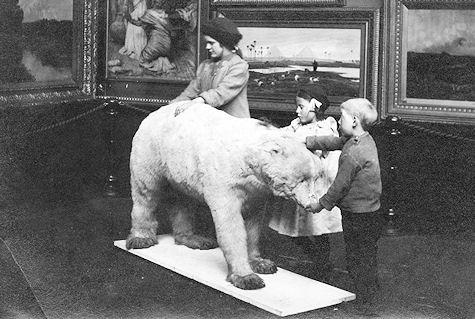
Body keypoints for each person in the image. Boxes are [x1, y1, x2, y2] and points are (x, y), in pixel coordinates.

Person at [306, 98, 385, 310]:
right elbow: (335, 142)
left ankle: (365, 303)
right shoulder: (362, 140)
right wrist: (310, 141)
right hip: (371, 212)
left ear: (354, 121)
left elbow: (339, 186)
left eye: (342, 118)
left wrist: (319, 205)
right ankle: (371, 290)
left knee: (356, 256)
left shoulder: (353, 153)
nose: (339, 121)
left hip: (357, 215)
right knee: (367, 253)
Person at [268, 87, 342, 279]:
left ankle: (323, 262)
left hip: (315, 187)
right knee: (288, 228)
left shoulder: (326, 128)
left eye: (301, 107)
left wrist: (298, 142)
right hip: (297, 185)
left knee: (318, 228)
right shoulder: (296, 125)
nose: (297, 111)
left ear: (315, 108)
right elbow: (284, 134)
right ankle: (317, 257)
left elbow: (324, 144)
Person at [171, 16, 250, 118]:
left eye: (211, 43)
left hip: (234, 127)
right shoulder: (205, 66)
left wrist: (199, 100)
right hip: (211, 124)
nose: (207, 47)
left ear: (224, 42)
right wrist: (170, 107)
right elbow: (190, 92)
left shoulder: (239, 67)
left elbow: (221, 94)